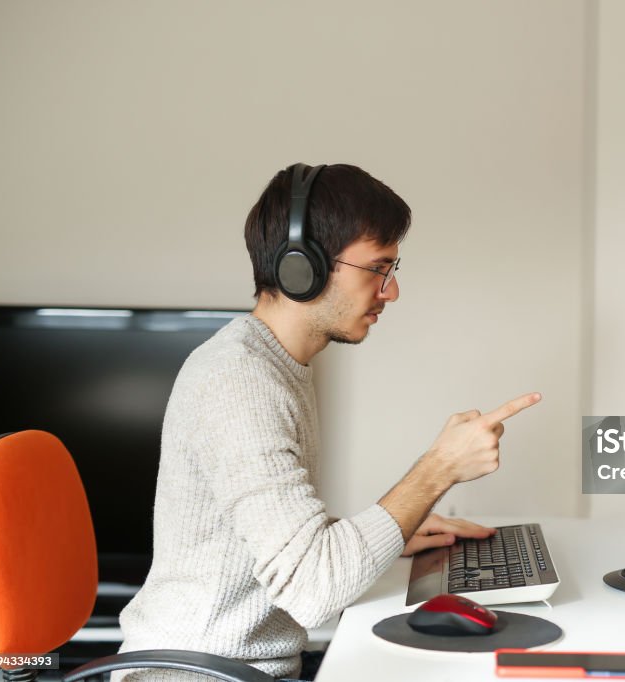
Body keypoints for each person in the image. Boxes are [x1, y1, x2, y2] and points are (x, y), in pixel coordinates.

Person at [113, 163, 541, 681]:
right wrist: (438, 469)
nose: (392, 291)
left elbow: (269, 539)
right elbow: (312, 590)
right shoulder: (239, 380)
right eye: (378, 268)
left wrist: (390, 530)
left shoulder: (274, 364)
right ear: (303, 267)